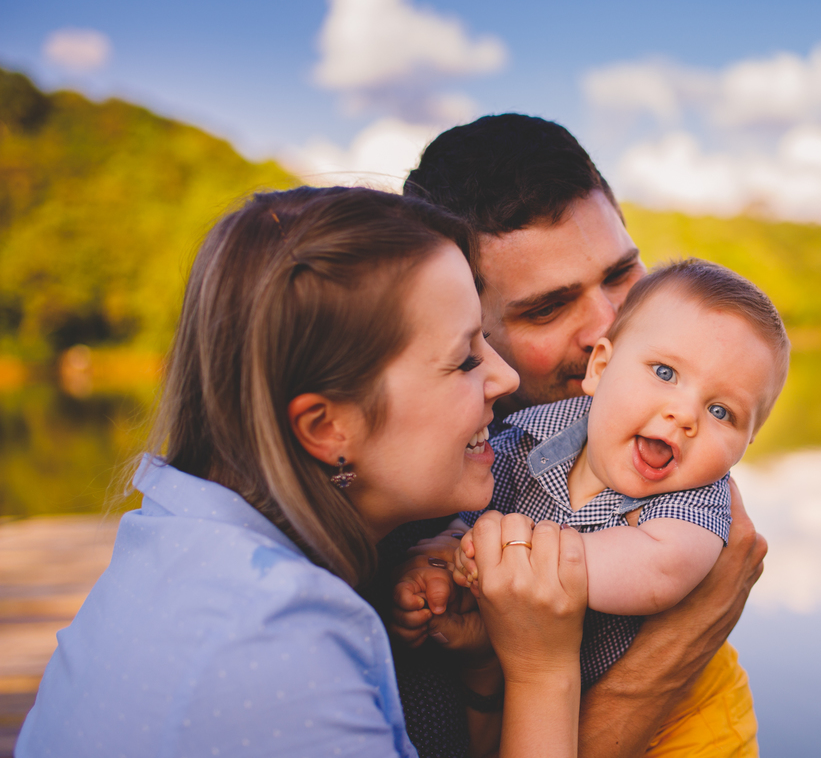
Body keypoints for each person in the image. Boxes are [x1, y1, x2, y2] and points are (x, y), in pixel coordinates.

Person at [16, 187, 588, 758]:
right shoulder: (277, 644)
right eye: (464, 359)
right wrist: (543, 670)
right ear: (325, 427)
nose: (505, 379)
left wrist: (485, 672)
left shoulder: (181, 542)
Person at [393, 115, 770, 757]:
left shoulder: (683, 486)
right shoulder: (394, 489)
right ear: (464, 327)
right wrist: (663, 658)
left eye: (623, 275)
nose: (608, 329)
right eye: (547, 307)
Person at [439, 259, 790, 755]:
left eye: (721, 412)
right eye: (665, 373)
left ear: (745, 444)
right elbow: (479, 503)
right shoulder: (532, 434)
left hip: (646, 721)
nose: (685, 414)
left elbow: (658, 569)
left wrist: (510, 559)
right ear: (600, 369)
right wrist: (446, 550)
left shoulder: (698, 501)